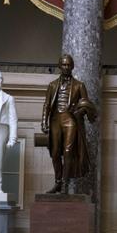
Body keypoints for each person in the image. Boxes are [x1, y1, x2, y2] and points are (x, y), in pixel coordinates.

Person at [41, 54, 96, 194]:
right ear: (59, 66)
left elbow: (87, 105)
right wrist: (43, 121)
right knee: (54, 153)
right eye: (63, 65)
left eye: (68, 65)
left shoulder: (79, 85)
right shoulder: (52, 85)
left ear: (72, 67)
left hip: (70, 120)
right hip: (55, 120)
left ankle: (65, 183)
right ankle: (57, 182)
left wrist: (80, 111)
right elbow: (47, 104)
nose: (66, 67)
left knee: (68, 151)